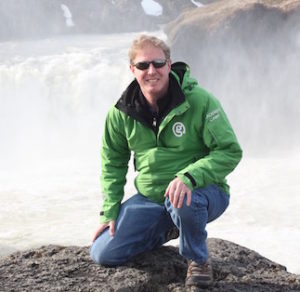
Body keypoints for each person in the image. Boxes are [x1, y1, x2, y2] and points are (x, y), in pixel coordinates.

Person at [90, 34, 242, 288]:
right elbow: (113, 162)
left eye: (158, 63)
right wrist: (110, 209)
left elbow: (229, 151)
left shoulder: (200, 101)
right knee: (103, 252)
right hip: (152, 198)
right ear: (132, 69)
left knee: (183, 200)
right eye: (143, 65)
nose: (152, 71)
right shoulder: (120, 113)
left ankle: (198, 258)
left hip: (204, 192)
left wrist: (190, 176)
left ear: (169, 65)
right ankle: (172, 226)